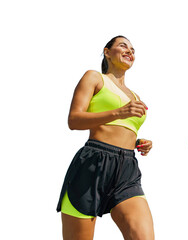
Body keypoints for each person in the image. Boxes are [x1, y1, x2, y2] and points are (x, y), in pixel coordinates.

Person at [56, 36, 154, 240]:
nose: (130, 51)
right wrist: (119, 113)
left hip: (127, 168)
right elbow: (74, 120)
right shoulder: (94, 77)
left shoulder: (135, 96)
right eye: (123, 46)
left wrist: (138, 142)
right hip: (93, 163)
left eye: (133, 49)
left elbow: (120, 127)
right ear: (107, 52)